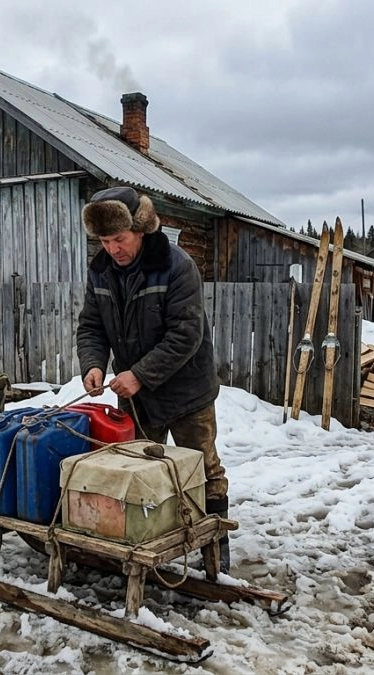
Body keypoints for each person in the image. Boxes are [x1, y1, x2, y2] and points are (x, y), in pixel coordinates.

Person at [76, 185, 229, 568]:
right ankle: (148, 542)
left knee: (202, 469)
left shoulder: (177, 266)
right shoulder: (101, 272)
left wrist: (140, 375)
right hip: (136, 396)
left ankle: (216, 549)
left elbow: (186, 335)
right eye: (105, 241)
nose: (113, 249)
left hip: (187, 391)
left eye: (119, 239)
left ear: (141, 229)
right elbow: (91, 326)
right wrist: (93, 363)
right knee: (139, 469)